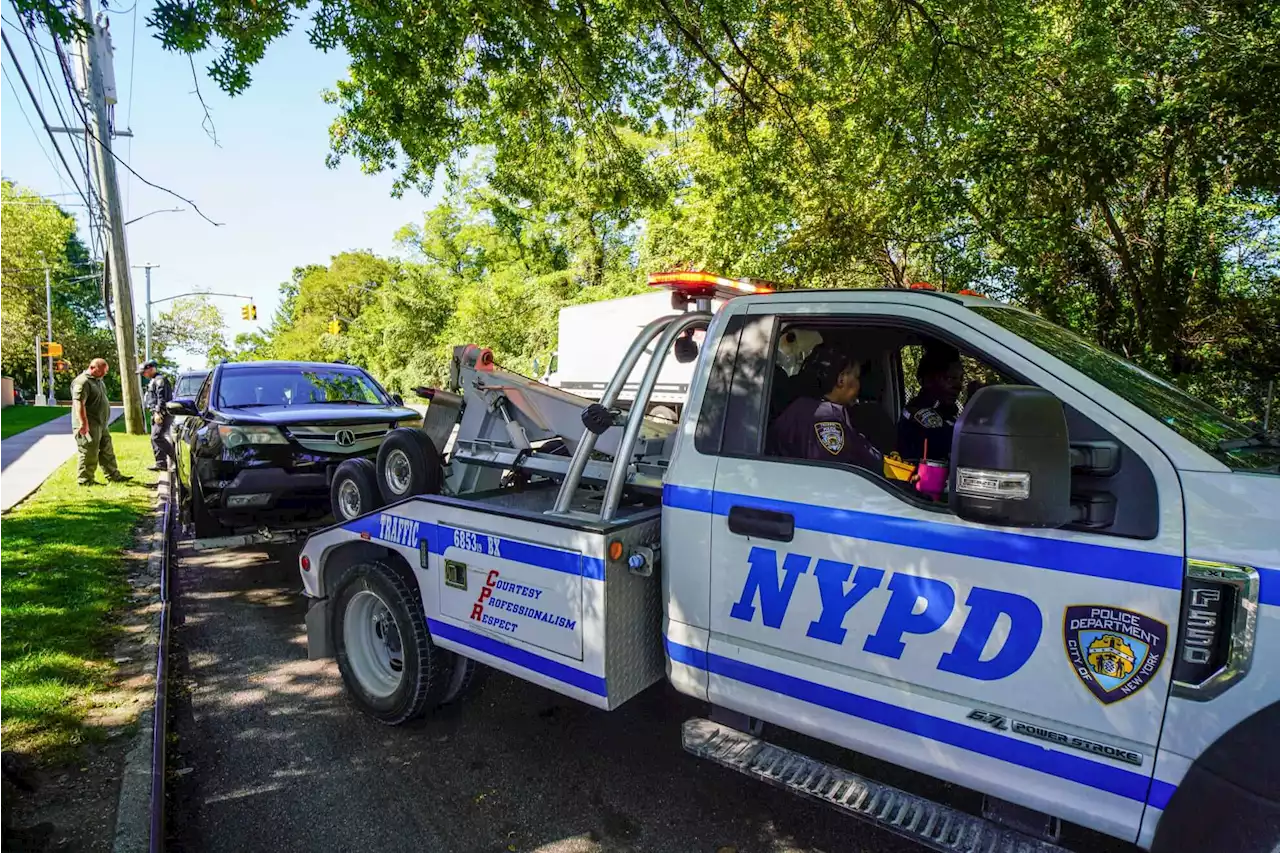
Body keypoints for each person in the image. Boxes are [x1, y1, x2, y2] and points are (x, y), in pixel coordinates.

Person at [771, 342, 884, 471]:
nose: (859, 385)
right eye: (857, 377)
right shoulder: (826, 419)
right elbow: (835, 474)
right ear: (841, 380)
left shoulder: (800, 407)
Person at [71, 358, 131, 486]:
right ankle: (85, 480)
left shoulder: (98, 381)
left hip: (101, 424)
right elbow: (79, 403)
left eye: (105, 372)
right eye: (101, 371)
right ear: (92, 367)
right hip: (89, 425)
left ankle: (113, 475)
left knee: (107, 449)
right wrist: (83, 423)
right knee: (89, 452)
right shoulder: (82, 382)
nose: (104, 374)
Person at [899, 345, 965, 462]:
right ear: (927, 380)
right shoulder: (918, 413)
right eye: (950, 378)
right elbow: (949, 443)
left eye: (961, 379)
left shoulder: (947, 411)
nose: (958, 386)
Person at [139, 360, 174, 472]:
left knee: (157, 437)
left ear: (151, 369)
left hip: (162, 414)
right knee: (154, 438)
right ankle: (160, 463)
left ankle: (176, 457)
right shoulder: (153, 381)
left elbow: (162, 398)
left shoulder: (160, 381)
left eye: (144, 372)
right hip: (155, 413)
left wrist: (158, 412)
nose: (143, 374)